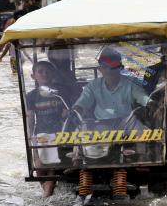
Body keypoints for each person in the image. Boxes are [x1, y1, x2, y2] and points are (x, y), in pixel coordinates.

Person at [73, 47, 150, 121]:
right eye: (105, 66)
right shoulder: (93, 86)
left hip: (128, 125)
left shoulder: (131, 83)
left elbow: (143, 97)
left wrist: (152, 105)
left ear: (121, 68)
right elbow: (83, 103)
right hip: (100, 127)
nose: (109, 71)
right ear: (100, 69)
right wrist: (75, 111)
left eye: (113, 67)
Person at [27, 61, 69, 197]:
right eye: (41, 71)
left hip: (60, 134)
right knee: (39, 167)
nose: (44, 74)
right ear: (33, 76)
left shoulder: (61, 92)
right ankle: (47, 189)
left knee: (51, 164)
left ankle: (48, 193)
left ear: (53, 74)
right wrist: (31, 142)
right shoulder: (31, 96)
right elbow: (30, 120)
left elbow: (68, 115)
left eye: (47, 71)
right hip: (41, 135)